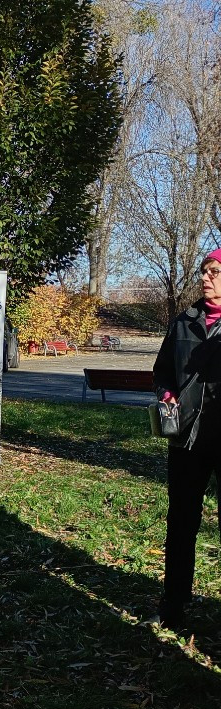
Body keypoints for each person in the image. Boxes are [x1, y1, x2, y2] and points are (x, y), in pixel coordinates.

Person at [151, 247, 221, 631]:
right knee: (180, 523)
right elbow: (162, 371)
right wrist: (167, 394)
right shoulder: (183, 322)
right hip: (186, 440)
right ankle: (173, 603)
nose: (205, 278)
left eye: (214, 271)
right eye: (204, 271)